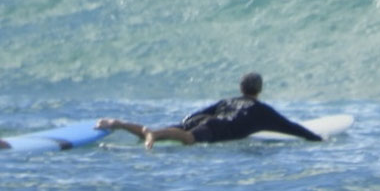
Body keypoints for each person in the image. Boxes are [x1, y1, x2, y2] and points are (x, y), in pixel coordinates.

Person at [95, 72, 321, 150]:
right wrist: (316, 139)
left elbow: (194, 116)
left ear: (241, 88)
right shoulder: (261, 111)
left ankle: (120, 124)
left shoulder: (228, 100)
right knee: (189, 139)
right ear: (259, 89)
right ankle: (153, 134)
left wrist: (187, 121)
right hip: (217, 127)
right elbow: (292, 128)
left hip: (207, 119)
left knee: (180, 130)